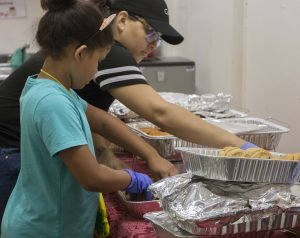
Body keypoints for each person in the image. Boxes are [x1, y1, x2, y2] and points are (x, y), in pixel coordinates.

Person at [0, 0, 169, 237]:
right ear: (80, 54)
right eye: (98, 61)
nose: (96, 71)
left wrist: (151, 155)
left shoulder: (51, 87)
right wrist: (131, 179)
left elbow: (101, 121)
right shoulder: (53, 102)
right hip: (46, 229)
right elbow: (92, 177)